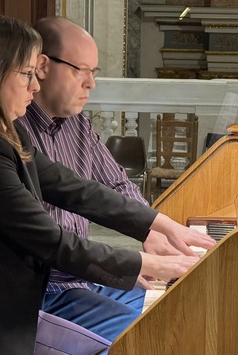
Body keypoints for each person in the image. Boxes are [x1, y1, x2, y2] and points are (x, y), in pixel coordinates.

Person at [0, 15, 215, 355]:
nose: (35, 85)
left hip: (3, 307)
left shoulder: (6, 135)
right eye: (27, 74)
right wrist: (148, 263)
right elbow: (52, 242)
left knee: (152, 326)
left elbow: (76, 190)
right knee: (144, 340)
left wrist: (158, 224)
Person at [16, 17, 178, 343]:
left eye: (95, 72)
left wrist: (150, 231)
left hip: (87, 278)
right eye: (82, 70)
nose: (91, 83)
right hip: (49, 290)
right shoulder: (17, 131)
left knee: (175, 307)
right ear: (43, 67)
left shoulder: (78, 124)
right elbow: (54, 242)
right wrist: (129, 265)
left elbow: (116, 184)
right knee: (156, 334)